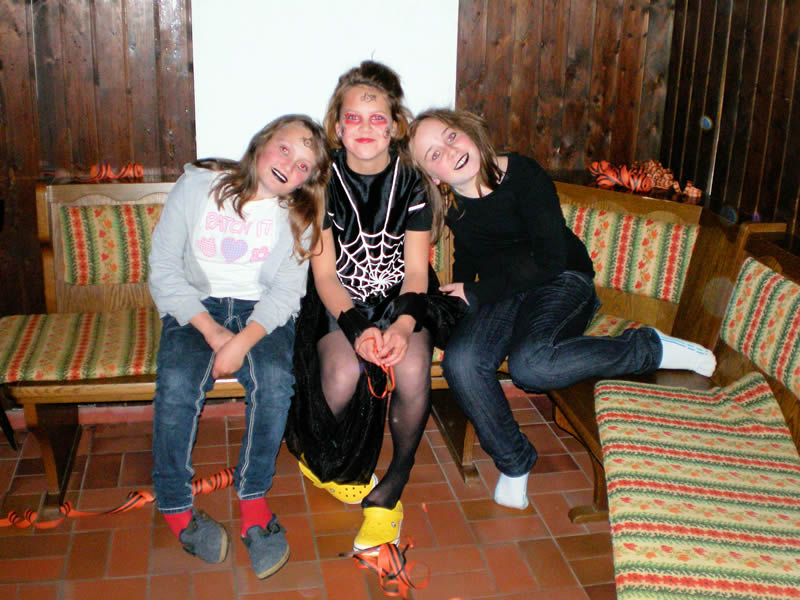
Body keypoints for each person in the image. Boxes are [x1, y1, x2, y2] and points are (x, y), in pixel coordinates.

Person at [409, 108, 717, 511]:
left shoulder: (523, 174)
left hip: (560, 279)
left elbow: (551, 260)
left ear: (467, 130)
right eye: (434, 154)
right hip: (505, 293)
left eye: (450, 137)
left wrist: (478, 293)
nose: (449, 152)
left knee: (531, 366)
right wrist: (464, 302)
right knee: (462, 362)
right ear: (434, 177)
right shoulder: (455, 206)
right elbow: (469, 253)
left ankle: (647, 347)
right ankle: (514, 461)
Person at [148, 115, 329, 578]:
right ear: (262, 142)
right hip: (195, 306)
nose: (291, 165)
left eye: (305, 165)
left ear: (308, 180)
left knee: (275, 383)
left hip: (260, 311)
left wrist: (242, 341)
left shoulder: (300, 217)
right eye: (286, 149)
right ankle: (174, 503)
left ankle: (253, 500)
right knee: (177, 384)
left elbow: (286, 295)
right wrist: (213, 334)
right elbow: (164, 270)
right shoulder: (197, 188)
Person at [285, 61, 450, 554]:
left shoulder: (412, 181)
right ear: (337, 127)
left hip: (404, 295)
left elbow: (417, 272)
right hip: (341, 300)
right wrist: (358, 329)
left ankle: (393, 484)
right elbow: (325, 276)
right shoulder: (321, 182)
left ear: (395, 126)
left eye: (377, 118)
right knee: (340, 375)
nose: (364, 128)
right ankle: (326, 457)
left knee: (413, 369)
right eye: (352, 118)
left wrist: (402, 325)